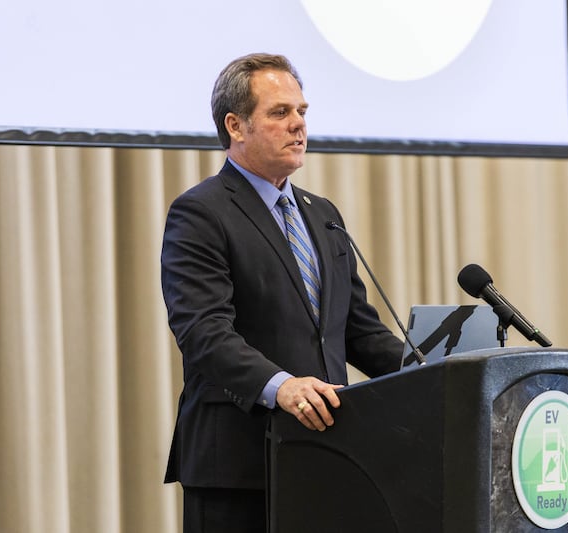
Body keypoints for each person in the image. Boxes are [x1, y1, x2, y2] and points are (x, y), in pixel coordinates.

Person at [160, 53, 404, 532]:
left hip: (328, 456)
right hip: (238, 464)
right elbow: (203, 331)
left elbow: (357, 331)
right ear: (236, 125)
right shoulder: (201, 212)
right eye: (280, 113)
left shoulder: (322, 214)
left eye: (302, 112)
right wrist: (282, 386)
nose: (298, 125)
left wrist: (433, 370)